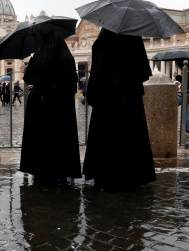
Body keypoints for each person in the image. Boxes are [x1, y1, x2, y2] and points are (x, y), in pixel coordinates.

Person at [83, 28, 156, 189]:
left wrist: (94, 94)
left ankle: (106, 174)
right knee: (130, 135)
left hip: (106, 98)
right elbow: (142, 71)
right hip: (129, 97)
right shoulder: (134, 38)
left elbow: (97, 72)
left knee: (107, 136)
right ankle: (131, 174)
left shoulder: (102, 40)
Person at [20, 31, 82, 184]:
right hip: (62, 104)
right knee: (62, 136)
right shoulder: (68, 57)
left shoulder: (39, 56)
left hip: (41, 103)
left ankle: (41, 168)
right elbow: (74, 81)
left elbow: (27, 78)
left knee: (41, 136)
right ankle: (62, 169)